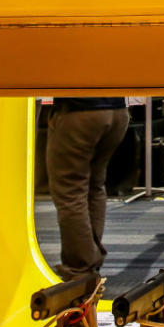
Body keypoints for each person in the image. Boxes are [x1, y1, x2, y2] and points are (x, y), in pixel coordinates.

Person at [46, 96, 129, 280]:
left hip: (79, 112)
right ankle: (91, 260)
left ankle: (79, 270)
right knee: (94, 186)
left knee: (70, 192)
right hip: (117, 111)